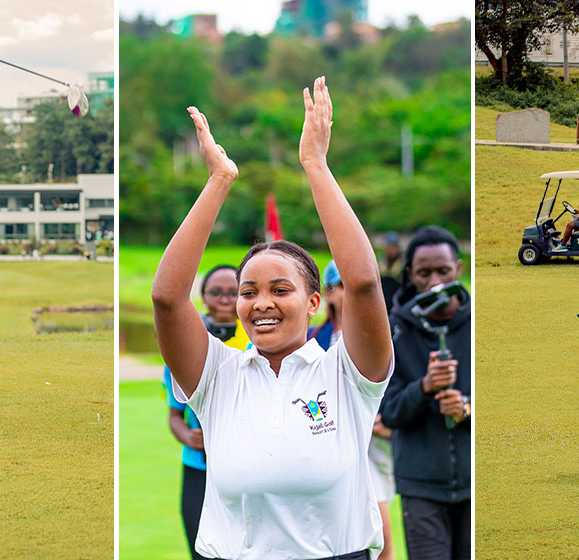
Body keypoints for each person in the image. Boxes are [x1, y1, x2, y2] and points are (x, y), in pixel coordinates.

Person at [152, 76, 393, 560]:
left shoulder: (346, 372)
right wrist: (218, 181)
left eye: (281, 289)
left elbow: (364, 282)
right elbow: (167, 299)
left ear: (312, 303)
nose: (261, 302)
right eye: (249, 291)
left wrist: (315, 166)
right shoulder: (218, 373)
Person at [381, 225, 470, 560]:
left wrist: (466, 409)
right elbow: (389, 412)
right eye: (424, 273)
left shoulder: (479, 323)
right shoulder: (394, 329)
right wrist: (424, 386)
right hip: (419, 485)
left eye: (443, 271)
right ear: (410, 275)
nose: (435, 283)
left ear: (458, 269)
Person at [307, 260, 397, 560]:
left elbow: (389, 382)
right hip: (322, 438)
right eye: (343, 286)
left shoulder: (380, 335)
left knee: (378, 521)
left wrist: (388, 421)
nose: (352, 294)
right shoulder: (311, 337)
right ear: (329, 292)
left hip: (372, 439)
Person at [162, 263, 248, 560]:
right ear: (203, 297)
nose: (224, 300)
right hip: (198, 469)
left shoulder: (257, 344)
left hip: (246, 469)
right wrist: (188, 436)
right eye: (216, 292)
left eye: (233, 292)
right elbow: (175, 415)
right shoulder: (184, 347)